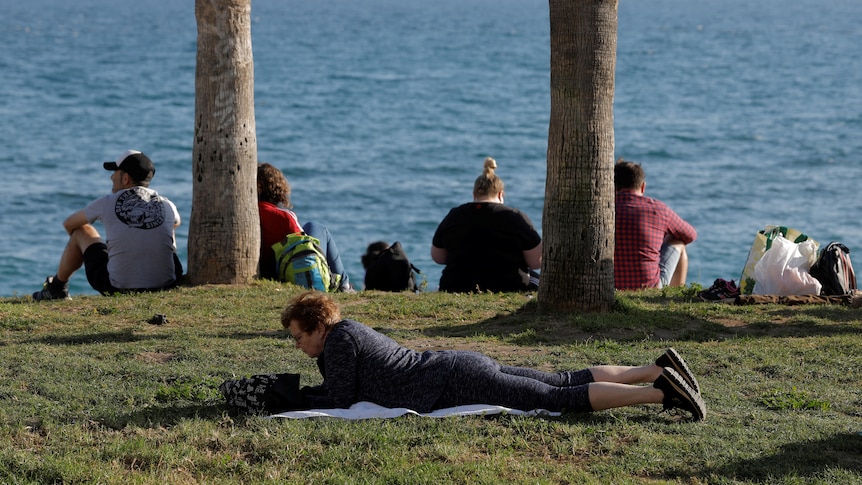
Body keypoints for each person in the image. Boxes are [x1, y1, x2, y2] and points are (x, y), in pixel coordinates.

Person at [282, 291, 706, 420]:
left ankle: (661, 392)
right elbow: (344, 389)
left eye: (299, 336)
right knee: (558, 380)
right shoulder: (345, 334)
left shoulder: (338, 342)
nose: (298, 345)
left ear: (318, 326)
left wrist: (292, 397)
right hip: (456, 365)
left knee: (555, 398)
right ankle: (657, 367)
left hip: (455, 379)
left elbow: (339, 398)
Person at [33, 150, 182, 300]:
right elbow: (177, 223)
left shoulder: (107, 202)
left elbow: (69, 224)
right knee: (168, 228)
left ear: (125, 178)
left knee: (82, 230)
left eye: (115, 172)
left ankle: (57, 288)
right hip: (166, 285)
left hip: (117, 287)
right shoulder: (167, 204)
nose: (111, 177)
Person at [431, 157, 542, 292]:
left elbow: (438, 257)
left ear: (474, 194)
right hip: (509, 286)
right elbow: (537, 261)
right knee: (537, 278)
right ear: (501, 194)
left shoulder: (454, 215)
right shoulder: (516, 218)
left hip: (456, 286)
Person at [257, 163, 352, 290]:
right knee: (316, 227)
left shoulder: (248, 213)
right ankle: (344, 284)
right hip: (286, 272)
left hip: (265, 270)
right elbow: (307, 249)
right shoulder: (283, 217)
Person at [614, 159, 697, 290]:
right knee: (678, 241)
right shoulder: (657, 209)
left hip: (610, 285)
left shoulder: (603, 210)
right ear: (642, 186)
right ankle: (674, 295)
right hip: (649, 288)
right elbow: (690, 234)